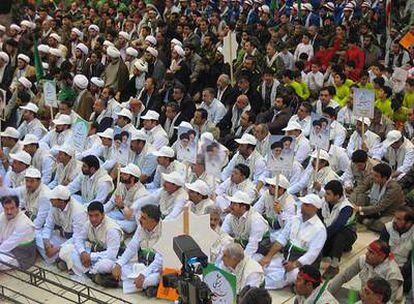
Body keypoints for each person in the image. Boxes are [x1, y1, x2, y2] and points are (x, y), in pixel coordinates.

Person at [259, 194, 327, 290]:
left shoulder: (319, 229)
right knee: (263, 266)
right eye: (303, 204)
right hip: (286, 259)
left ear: (315, 209)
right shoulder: (295, 219)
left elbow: (311, 255)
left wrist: (294, 265)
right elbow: (282, 239)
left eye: (306, 205)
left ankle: (260, 285)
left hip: (302, 267)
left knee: (286, 277)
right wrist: (268, 257)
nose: (303, 206)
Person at [102, 204, 163, 296]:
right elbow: (131, 248)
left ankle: (119, 283)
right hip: (141, 265)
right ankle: (147, 288)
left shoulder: (165, 230)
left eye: (143, 218)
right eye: (140, 216)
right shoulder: (141, 227)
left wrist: (143, 274)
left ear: (153, 221)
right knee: (118, 267)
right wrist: (119, 265)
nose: (139, 219)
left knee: (150, 279)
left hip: (156, 269)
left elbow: (159, 260)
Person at [328, 240, 403, 304]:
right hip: (362, 295)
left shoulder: (393, 274)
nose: (367, 254)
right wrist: (329, 293)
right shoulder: (364, 259)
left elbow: (388, 301)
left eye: (371, 252)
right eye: (368, 251)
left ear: (381, 256)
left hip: (373, 301)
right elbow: (344, 276)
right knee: (332, 290)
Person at [70, 201, 124, 280]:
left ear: (103, 214)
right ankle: (91, 274)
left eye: (96, 215)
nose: (93, 219)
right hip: (93, 253)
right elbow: (79, 239)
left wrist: (90, 256)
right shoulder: (88, 224)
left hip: (110, 258)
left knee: (104, 265)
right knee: (72, 251)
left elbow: (111, 254)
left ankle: (90, 272)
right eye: (90, 216)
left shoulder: (112, 229)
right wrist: (82, 252)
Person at [37, 186, 87, 266]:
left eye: (53, 199)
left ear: (61, 201)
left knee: (72, 251)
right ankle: (58, 257)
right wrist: (46, 242)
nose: (50, 200)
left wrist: (56, 249)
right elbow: (48, 225)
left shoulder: (78, 212)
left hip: (74, 241)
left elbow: (77, 238)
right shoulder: (54, 206)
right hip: (63, 237)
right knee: (37, 235)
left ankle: (59, 257)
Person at [350, 163, 404, 232]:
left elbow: (380, 207)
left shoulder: (394, 188)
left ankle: (364, 220)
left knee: (383, 225)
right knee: (360, 197)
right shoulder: (372, 178)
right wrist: (351, 202)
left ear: (384, 178)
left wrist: (359, 208)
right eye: (373, 174)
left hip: (388, 213)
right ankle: (361, 217)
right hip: (373, 206)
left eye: (376, 176)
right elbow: (359, 189)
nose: (372, 177)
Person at [320, 180, 356, 279]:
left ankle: (334, 265)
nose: (325, 196)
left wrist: (321, 237)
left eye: (328, 194)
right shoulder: (325, 202)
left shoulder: (346, 207)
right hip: (329, 233)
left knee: (340, 234)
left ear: (337, 196)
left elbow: (337, 226)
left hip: (346, 235)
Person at [105, 164, 148, 234]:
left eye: (125, 174)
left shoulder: (142, 194)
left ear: (132, 178)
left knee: (119, 225)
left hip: (132, 221)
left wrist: (122, 206)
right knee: (103, 218)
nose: (121, 175)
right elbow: (111, 202)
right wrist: (102, 211)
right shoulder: (121, 185)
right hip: (120, 214)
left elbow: (133, 217)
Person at [379, 206, 414, 293]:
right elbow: (382, 250)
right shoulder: (388, 228)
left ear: (408, 223)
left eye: (399, 219)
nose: (394, 220)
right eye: (395, 217)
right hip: (388, 264)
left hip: (405, 269)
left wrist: (398, 275)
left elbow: (411, 262)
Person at [253, 175, 296, 240]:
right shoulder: (267, 194)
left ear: (281, 189)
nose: (269, 188)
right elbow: (256, 209)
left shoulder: (290, 202)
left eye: (273, 186)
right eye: (270, 185)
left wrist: (280, 212)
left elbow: (289, 225)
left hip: (280, 230)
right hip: (268, 225)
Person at [0, 196, 36, 270]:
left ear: (17, 207)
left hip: (20, 255)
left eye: (12, 208)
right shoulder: (2, 216)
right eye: (6, 209)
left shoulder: (24, 224)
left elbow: (8, 245)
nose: (9, 212)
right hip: (4, 248)